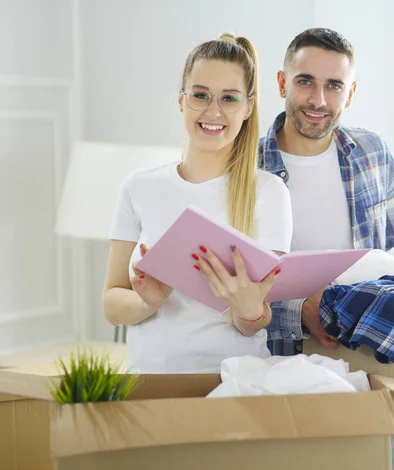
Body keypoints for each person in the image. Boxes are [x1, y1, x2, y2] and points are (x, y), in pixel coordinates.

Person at [258, 28, 394, 356]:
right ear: (282, 83)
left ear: (351, 93)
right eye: (305, 81)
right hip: (280, 354)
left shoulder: (372, 152)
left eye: (334, 85)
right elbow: (231, 287)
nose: (318, 100)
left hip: (365, 353)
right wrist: (300, 310)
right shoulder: (247, 168)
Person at [102, 33, 293, 374]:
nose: (213, 111)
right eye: (200, 95)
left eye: (229, 98)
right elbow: (112, 305)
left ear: (248, 106)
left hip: (234, 379)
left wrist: (248, 309)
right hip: (151, 377)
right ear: (181, 99)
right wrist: (149, 301)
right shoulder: (140, 186)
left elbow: (253, 323)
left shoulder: (268, 192)